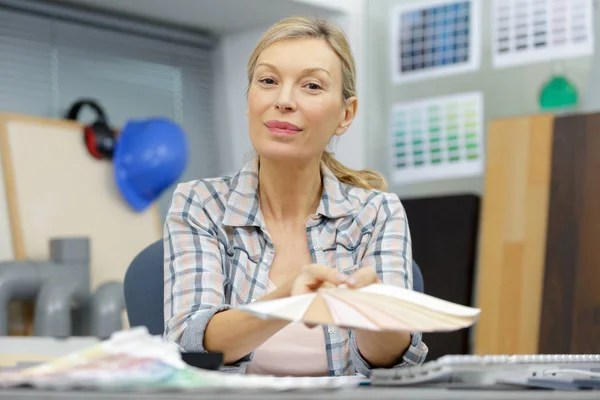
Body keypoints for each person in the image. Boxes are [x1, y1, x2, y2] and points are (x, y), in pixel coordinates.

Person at [163, 16, 428, 378]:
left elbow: (395, 365)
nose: (284, 100)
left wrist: (371, 311)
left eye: (312, 86)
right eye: (268, 81)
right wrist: (287, 299)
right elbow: (188, 341)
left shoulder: (378, 213)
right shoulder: (201, 204)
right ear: (249, 101)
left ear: (345, 114)